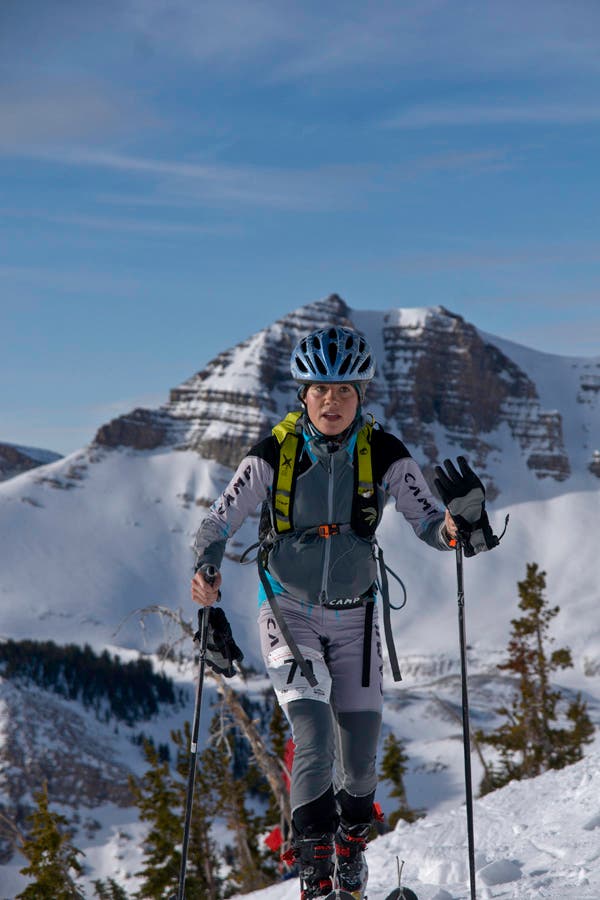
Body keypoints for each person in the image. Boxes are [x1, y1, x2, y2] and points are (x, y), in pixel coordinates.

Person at [191, 325, 498, 900]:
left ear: (361, 395)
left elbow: (433, 525)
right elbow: (217, 522)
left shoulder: (384, 453)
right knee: (311, 734)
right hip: (288, 613)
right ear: (303, 394)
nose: (332, 402)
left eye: (345, 391)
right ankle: (315, 873)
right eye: (321, 390)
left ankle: (353, 849)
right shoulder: (274, 453)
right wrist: (207, 568)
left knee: (358, 758)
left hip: (357, 617)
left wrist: (463, 523)